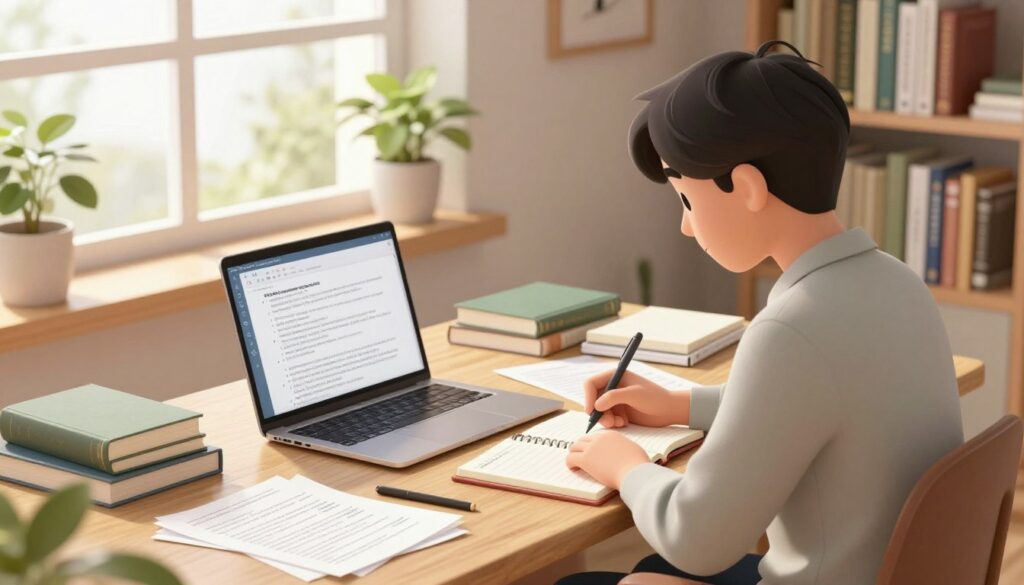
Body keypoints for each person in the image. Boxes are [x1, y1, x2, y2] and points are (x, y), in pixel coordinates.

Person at [558, 41, 964, 585]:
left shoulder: (791, 330)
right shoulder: (896, 283)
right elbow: (811, 402)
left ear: (747, 188)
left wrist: (624, 466)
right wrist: (679, 404)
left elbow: (695, 541)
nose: (686, 226)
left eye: (687, 200)